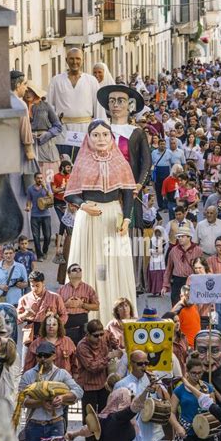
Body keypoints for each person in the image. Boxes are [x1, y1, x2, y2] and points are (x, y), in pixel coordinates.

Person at [64, 119, 137, 325]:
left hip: (114, 217)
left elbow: (128, 192)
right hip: (88, 219)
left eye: (105, 134)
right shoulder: (82, 161)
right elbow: (70, 194)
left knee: (113, 264)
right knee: (92, 263)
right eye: (96, 135)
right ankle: (90, 317)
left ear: (111, 137)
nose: (101, 139)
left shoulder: (120, 161)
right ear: (89, 138)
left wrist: (127, 218)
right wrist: (83, 205)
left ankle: (117, 315)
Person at [97, 84, 152, 292]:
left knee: (130, 234)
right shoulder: (101, 130)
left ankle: (133, 281)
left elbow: (146, 162)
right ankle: (106, 279)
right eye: (112, 101)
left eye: (120, 100)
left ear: (130, 106)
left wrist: (139, 184)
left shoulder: (137, 132)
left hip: (130, 191)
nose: (116, 104)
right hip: (106, 191)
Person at [47, 48, 104, 161]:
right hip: (62, 131)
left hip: (85, 129)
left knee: (84, 164)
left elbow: (99, 108)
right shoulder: (56, 80)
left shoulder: (91, 81)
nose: (75, 62)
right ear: (66, 60)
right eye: (71, 59)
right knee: (64, 165)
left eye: (78, 59)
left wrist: (100, 133)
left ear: (83, 60)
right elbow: (49, 106)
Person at [76, 320, 122, 441]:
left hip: (104, 384)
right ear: (88, 334)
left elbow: (111, 337)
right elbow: (92, 367)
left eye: (101, 334)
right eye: (95, 335)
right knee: (90, 416)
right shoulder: (82, 347)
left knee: (105, 414)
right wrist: (108, 358)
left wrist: (114, 343)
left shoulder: (104, 336)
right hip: (89, 385)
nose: (99, 338)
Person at [17, 270, 68, 354]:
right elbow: (17, 319)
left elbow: (64, 315)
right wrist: (25, 315)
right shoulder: (24, 299)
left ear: (43, 283)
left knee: (48, 361)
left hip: (49, 332)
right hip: (31, 334)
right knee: (27, 363)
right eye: (32, 286)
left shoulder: (55, 297)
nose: (35, 288)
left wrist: (56, 325)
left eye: (37, 285)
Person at [25, 81, 62, 178]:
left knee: (47, 177)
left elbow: (58, 126)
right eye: (26, 91)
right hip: (27, 146)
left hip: (45, 146)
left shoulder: (46, 106)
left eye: (30, 91)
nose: (28, 94)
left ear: (36, 92)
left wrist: (48, 134)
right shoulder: (21, 107)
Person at [58, 263, 99, 345]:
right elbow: (55, 308)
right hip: (66, 322)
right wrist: (66, 304)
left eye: (79, 269)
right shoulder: (61, 290)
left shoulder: (88, 289)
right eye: (74, 270)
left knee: (81, 349)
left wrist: (82, 305)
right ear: (68, 274)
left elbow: (96, 306)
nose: (78, 271)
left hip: (82, 323)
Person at [161, 227, 202, 306]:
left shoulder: (198, 250)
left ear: (189, 237)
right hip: (177, 281)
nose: (180, 238)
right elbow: (169, 269)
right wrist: (165, 285)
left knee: (192, 307)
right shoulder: (173, 251)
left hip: (192, 281)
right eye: (178, 237)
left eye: (182, 236)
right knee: (176, 306)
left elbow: (203, 268)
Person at [25, 172, 53, 261]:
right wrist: (28, 207)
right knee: (36, 237)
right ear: (34, 179)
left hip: (46, 215)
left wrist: (45, 187)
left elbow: (51, 197)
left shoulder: (46, 186)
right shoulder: (30, 189)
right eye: (38, 178)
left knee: (47, 236)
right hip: (35, 215)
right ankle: (39, 255)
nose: (40, 179)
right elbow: (29, 200)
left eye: (41, 178)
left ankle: (45, 251)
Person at [147, 226, 168, 296]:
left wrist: (159, 250)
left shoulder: (163, 240)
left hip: (160, 259)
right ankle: (153, 290)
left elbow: (163, 250)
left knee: (160, 275)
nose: (157, 234)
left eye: (159, 232)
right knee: (153, 274)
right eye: (156, 232)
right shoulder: (152, 240)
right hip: (153, 259)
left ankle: (160, 290)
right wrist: (155, 251)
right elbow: (149, 250)